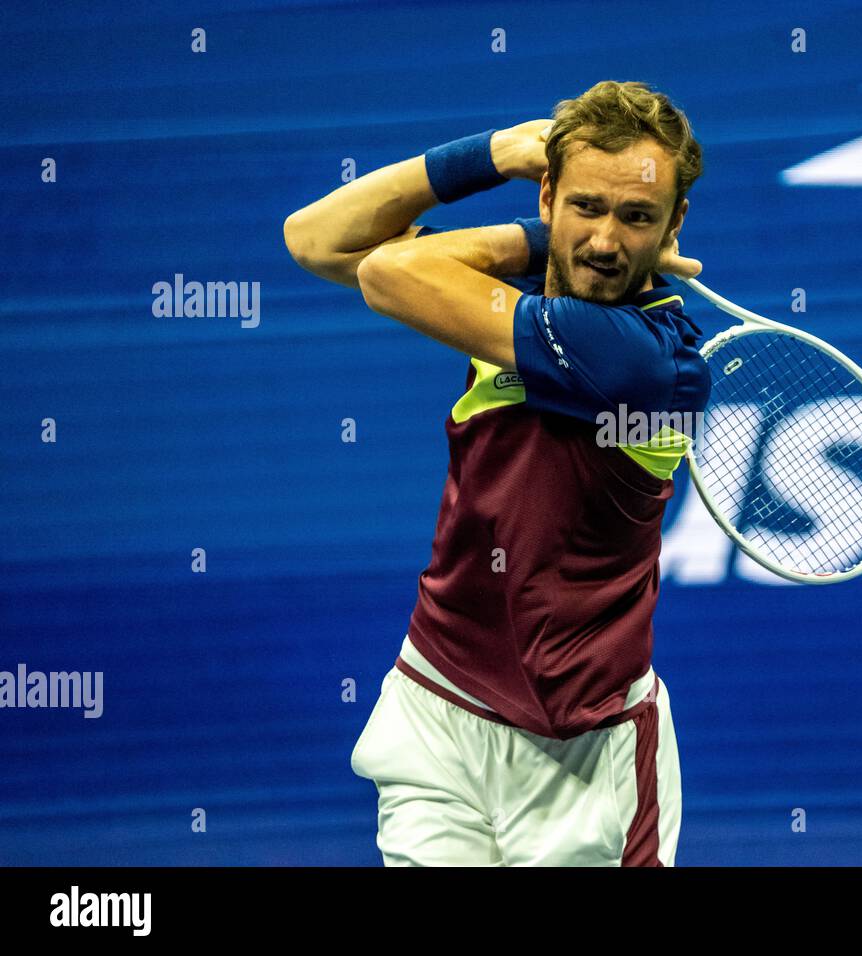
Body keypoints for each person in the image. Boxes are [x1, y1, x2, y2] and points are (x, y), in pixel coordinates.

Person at [283, 80, 709, 866]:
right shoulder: (510, 301)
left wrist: (540, 234)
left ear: (675, 223)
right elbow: (314, 238)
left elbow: (386, 275)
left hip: (584, 761)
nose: (607, 243)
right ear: (547, 190)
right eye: (587, 206)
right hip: (436, 709)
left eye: (637, 216)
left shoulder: (649, 362)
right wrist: (487, 155)